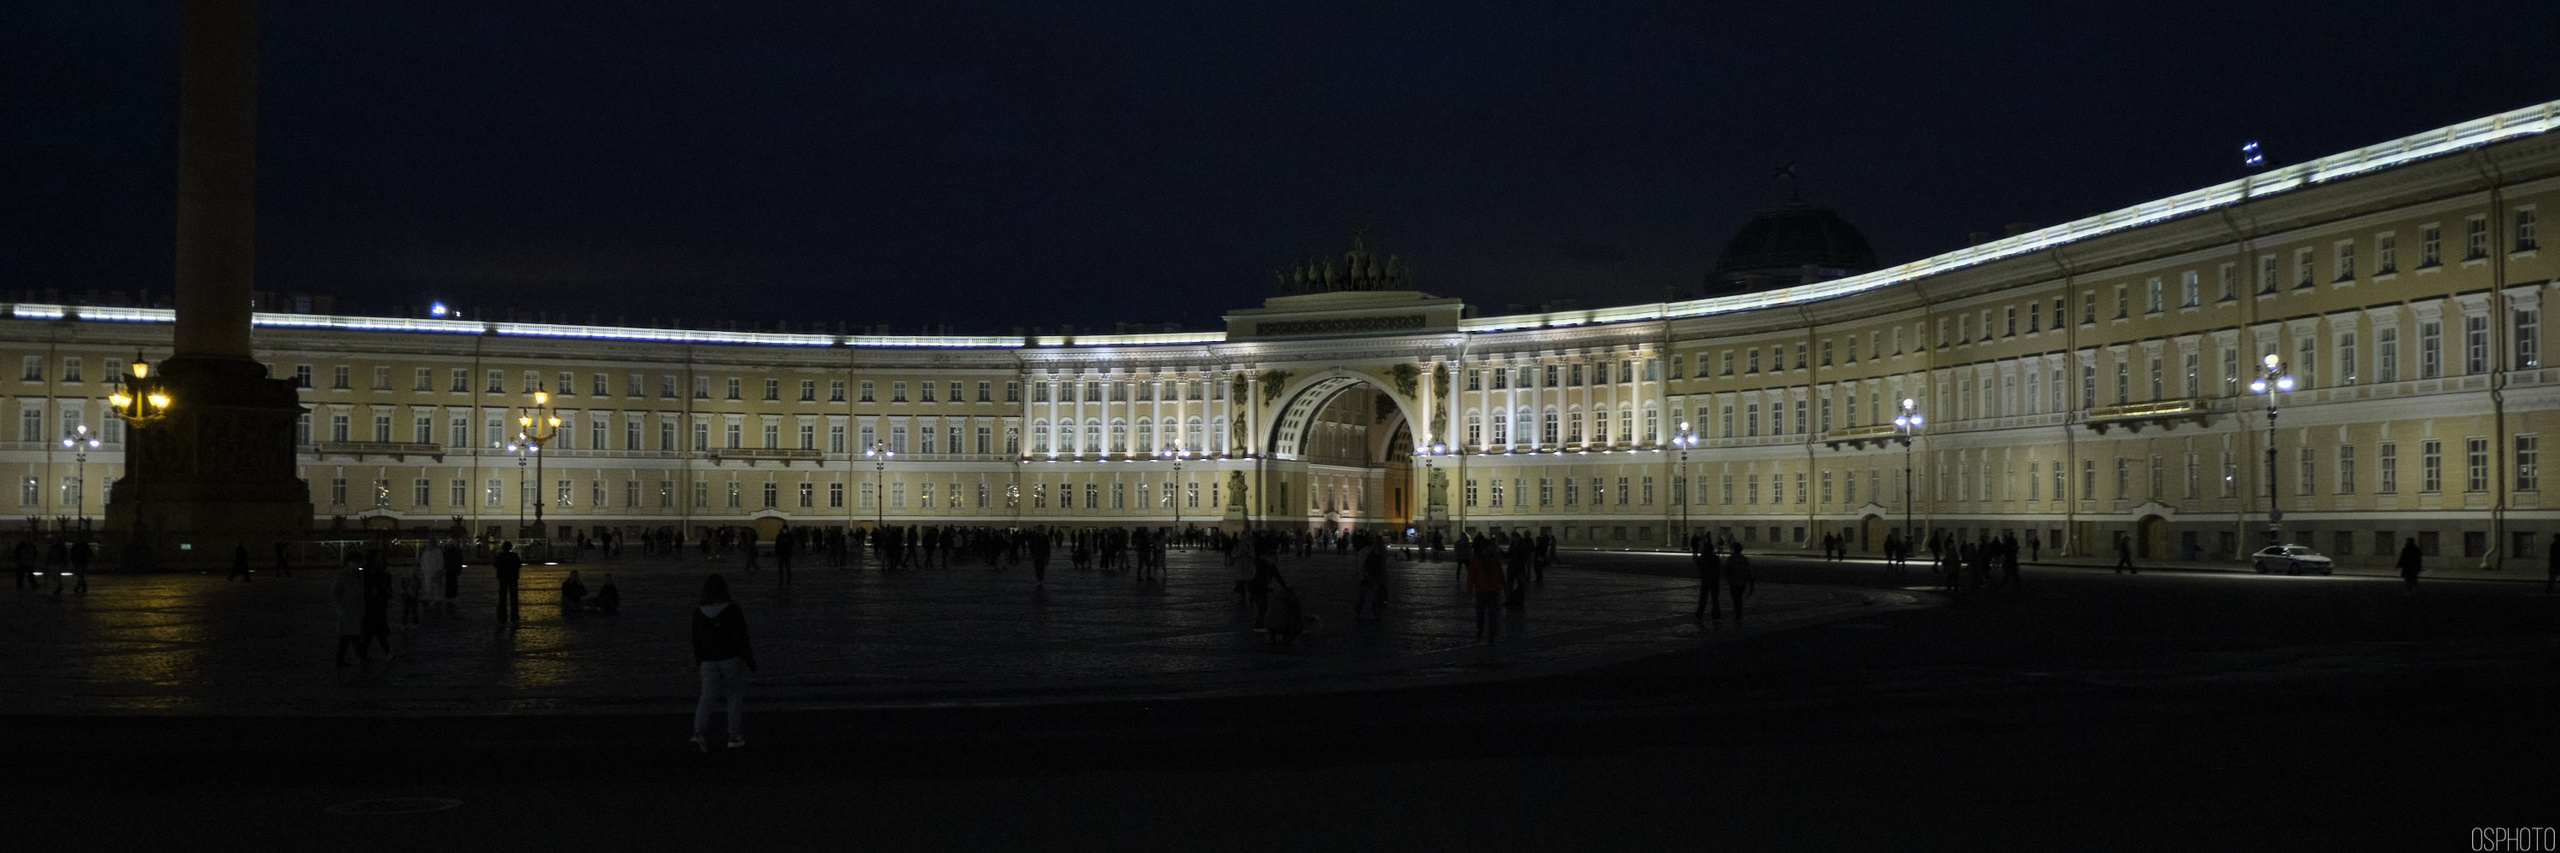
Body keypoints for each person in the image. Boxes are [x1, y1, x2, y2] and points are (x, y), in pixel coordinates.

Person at [691, 574, 756, 751]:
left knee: (707, 697)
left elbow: (696, 641)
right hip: (731, 658)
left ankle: (699, 733)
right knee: (734, 695)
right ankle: (734, 735)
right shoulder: (733, 610)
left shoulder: (699, 612)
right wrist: (750, 661)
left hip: (708, 660)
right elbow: (742, 637)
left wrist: (700, 662)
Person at [1465, 538, 1505, 642]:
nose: (1491, 549)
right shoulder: (1476, 560)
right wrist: (1470, 590)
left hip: (1493, 591)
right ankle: (1481, 630)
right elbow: (1471, 576)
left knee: (1492, 614)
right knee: (1480, 614)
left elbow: (1500, 575)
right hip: (1481, 591)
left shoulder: (1495, 559)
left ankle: (1491, 634)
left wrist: (1505, 588)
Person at [332, 557, 369, 667]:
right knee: (352, 635)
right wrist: (339, 608)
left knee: (348, 636)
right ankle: (361, 657)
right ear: (349, 562)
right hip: (348, 609)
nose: (358, 564)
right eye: (356, 562)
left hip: (353, 610)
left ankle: (342, 659)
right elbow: (335, 593)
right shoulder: (343, 575)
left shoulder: (358, 573)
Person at [1692, 534, 1726, 621]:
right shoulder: (1715, 557)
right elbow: (1718, 568)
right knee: (1715, 598)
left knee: (1703, 597)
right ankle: (1716, 614)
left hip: (1705, 579)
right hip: (1714, 579)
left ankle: (1700, 613)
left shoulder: (1703, 557)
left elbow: (1699, 565)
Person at [1725, 542, 1757, 620]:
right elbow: (1748, 571)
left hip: (1733, 581)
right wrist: (1751, 583)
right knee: (1739, 598)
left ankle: (1737, 614)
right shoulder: (1744, 559)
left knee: (1735, 599)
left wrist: (1728, 579)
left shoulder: (1731, 559)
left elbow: (1726, 570)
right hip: (1742, 582)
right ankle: (1739, 613)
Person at [494, 541, 523, 627]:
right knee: (514, 598)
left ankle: (502, 617)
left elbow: (496, 565)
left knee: (502, 598)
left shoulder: (500, 556)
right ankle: (514, 616)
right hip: (513, 578)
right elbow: (519, 564)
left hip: (503, 578)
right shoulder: (514, 556)